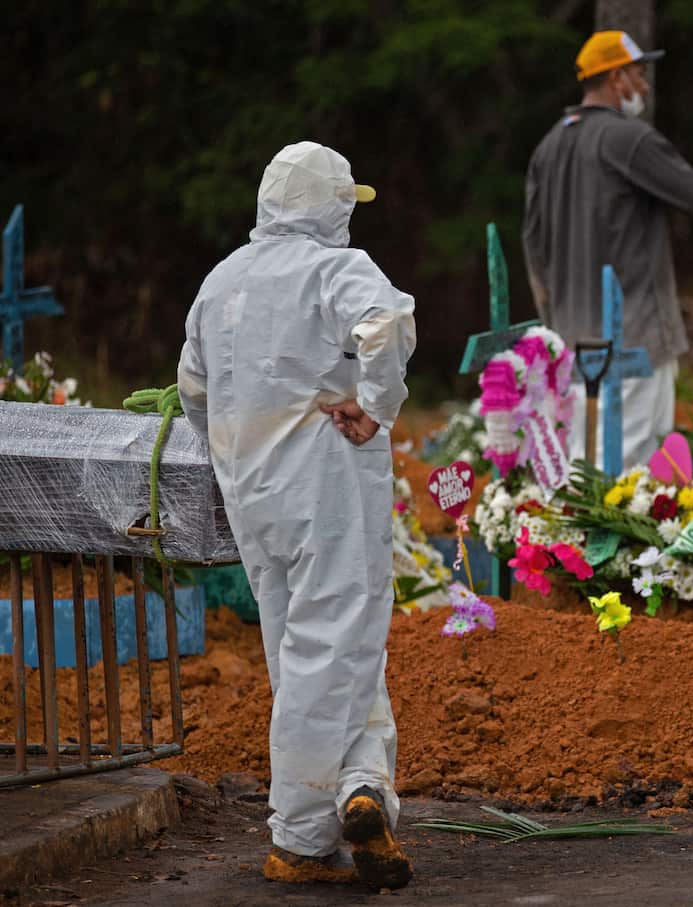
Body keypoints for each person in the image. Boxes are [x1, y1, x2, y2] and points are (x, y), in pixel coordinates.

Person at [177, 141, 417, 887]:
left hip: (255, 498)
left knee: (309, 652)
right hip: (329, 489)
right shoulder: (335, 268)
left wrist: (233, 453)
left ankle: (361, 790)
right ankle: (301, 838)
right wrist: (375, 406)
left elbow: (192, 386)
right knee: (332, 649)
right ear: (334, 205)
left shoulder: (221, 281)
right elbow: (387, 325)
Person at [523, 30, 693, 469]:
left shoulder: (549, 146)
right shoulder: (629, 139)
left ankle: (566, 541)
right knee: (633, 468)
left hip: (573, 342)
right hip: (634, 334)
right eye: (639, 75)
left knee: (578, 467)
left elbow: (533, 242)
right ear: (616, 78)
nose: (645, 86)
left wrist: (553, 320)